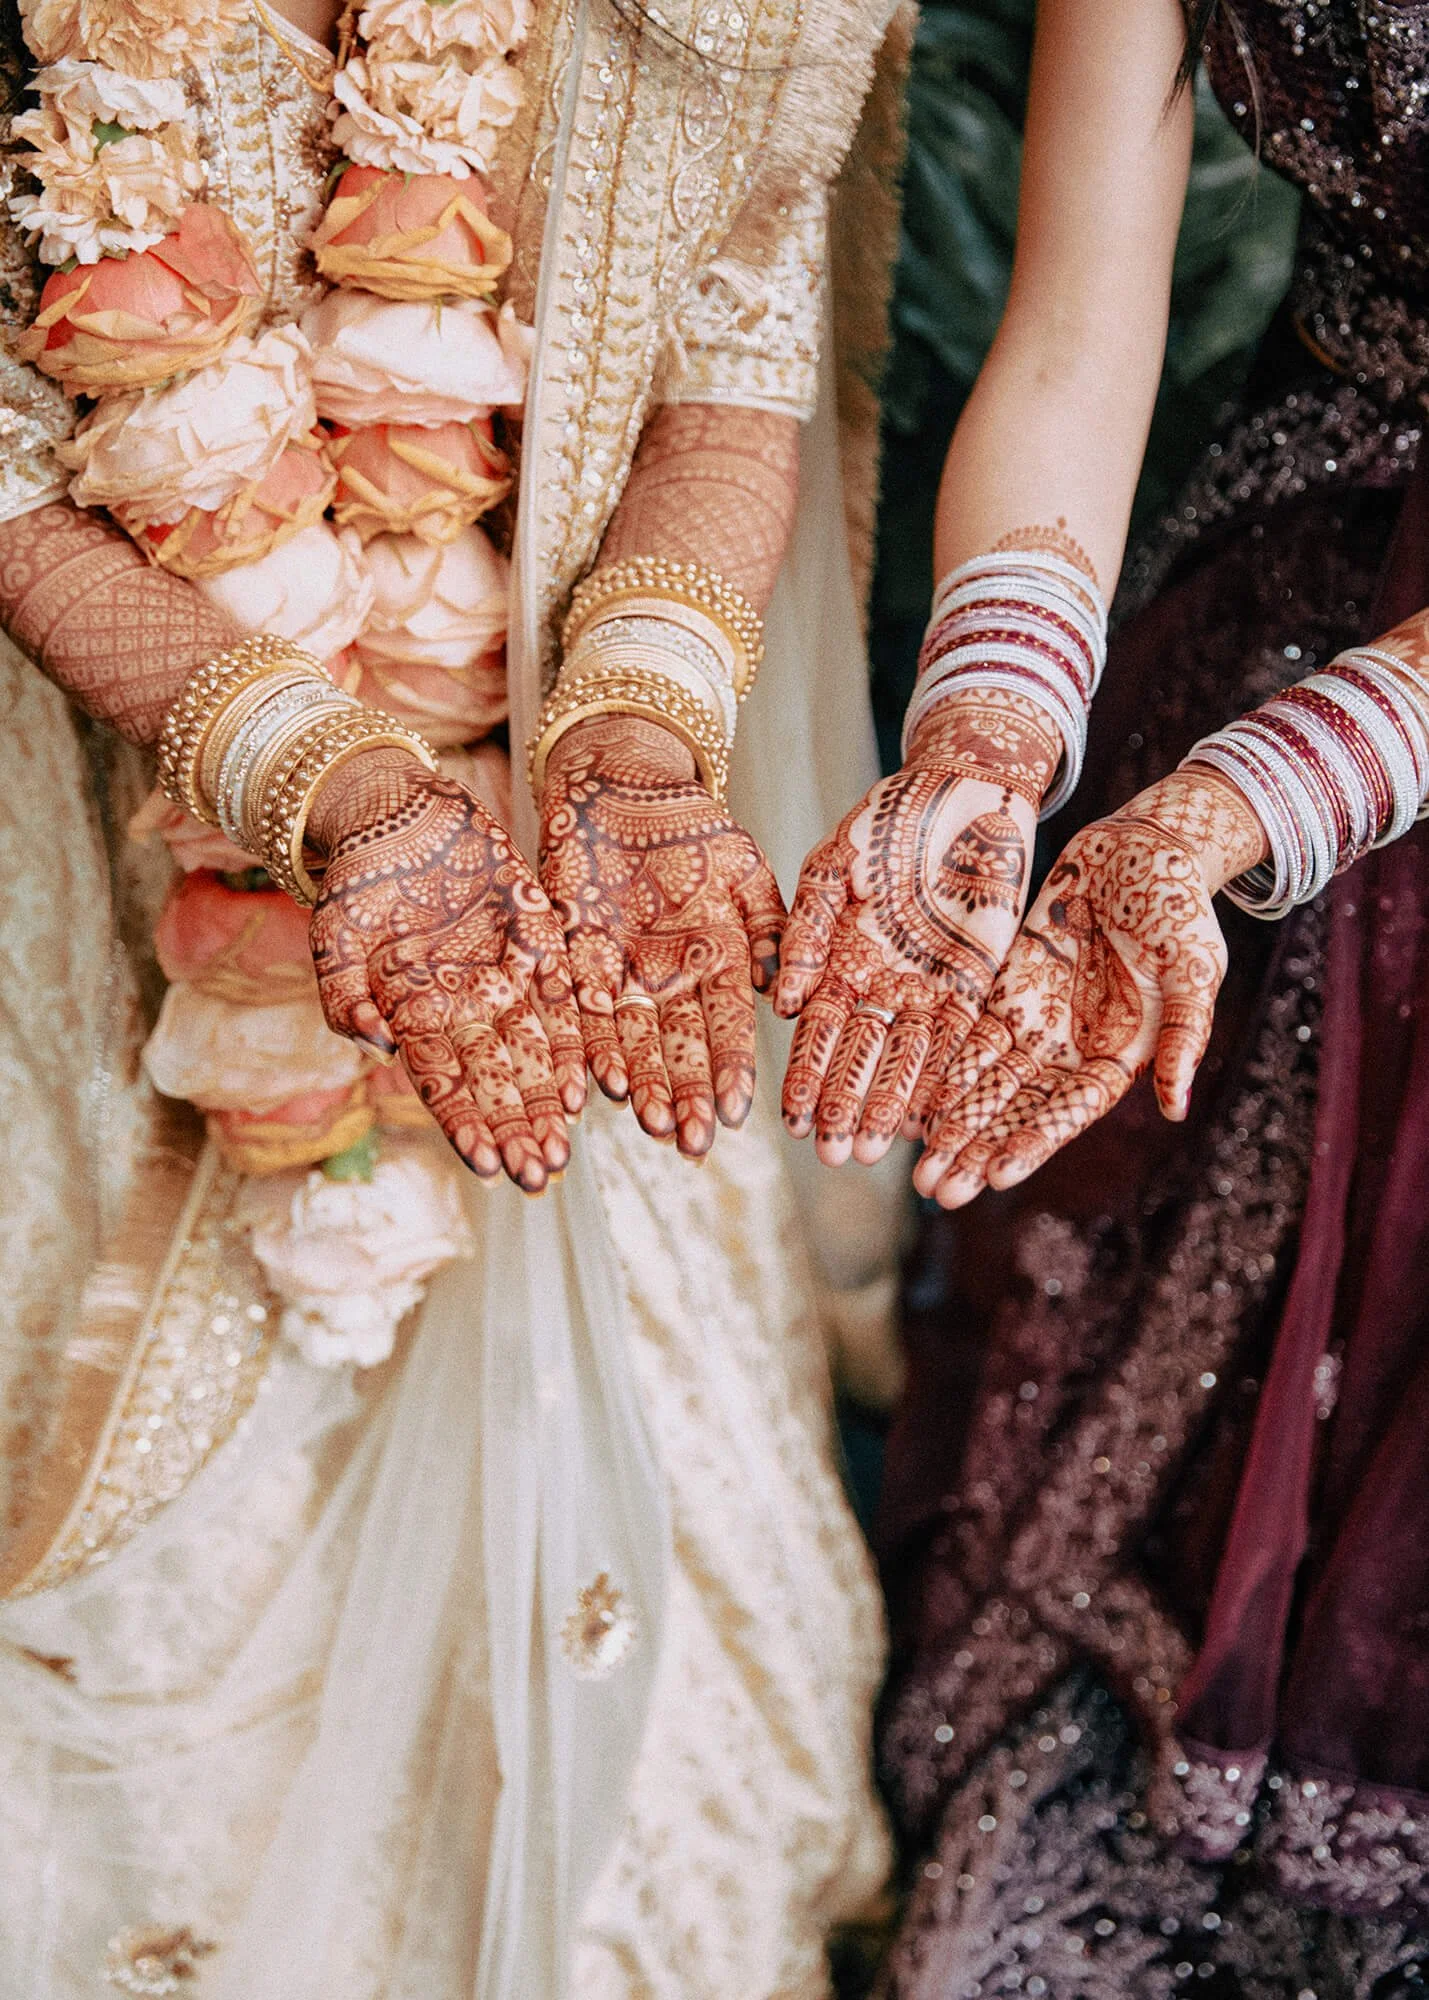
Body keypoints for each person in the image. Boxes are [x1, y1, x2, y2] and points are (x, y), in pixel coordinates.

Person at [0, 0, 908, 1990]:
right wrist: (319, 780)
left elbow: (735, 349)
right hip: (106, 874)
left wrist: (645, 733)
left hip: (574, 936)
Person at [776, 0, 1429, 1983]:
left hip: (1304, 756)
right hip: (1269, 595)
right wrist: (987, 735)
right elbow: (1075, 326)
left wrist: (1222, 814)